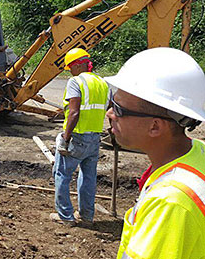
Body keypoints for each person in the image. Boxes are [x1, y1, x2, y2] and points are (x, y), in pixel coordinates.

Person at [105, 47, 205, 258]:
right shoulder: (198, 152)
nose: (110, 113)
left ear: (155, 127)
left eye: (119, 109)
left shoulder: (170, 202)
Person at [50, 48, 109, 226]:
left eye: (71, 67)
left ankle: (65, 216)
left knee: (61, 174)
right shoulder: (102, 83)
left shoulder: (76, 82)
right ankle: (86, 216)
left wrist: (65, 138)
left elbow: (74, 113)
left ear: (77, 65)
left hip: (77, 137)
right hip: (94, 138)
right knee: (88, 177)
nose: (71, 71)